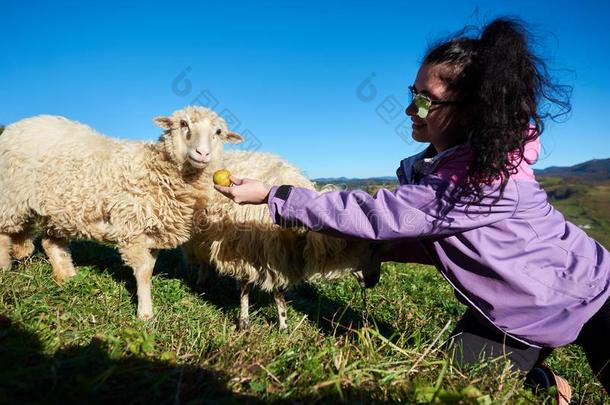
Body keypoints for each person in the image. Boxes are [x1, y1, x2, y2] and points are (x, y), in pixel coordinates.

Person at [215, 18, 610, 399]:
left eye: (426, 101)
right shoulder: (448, 169)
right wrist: (376, 253)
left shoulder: (478, 182)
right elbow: (442, 238)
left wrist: (273, 196)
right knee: (460, 387)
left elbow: (379, 215)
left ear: (473, 111)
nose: (410, 109)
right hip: (519, 309)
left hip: (594, 293)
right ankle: (542, 381)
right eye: (412, 93)